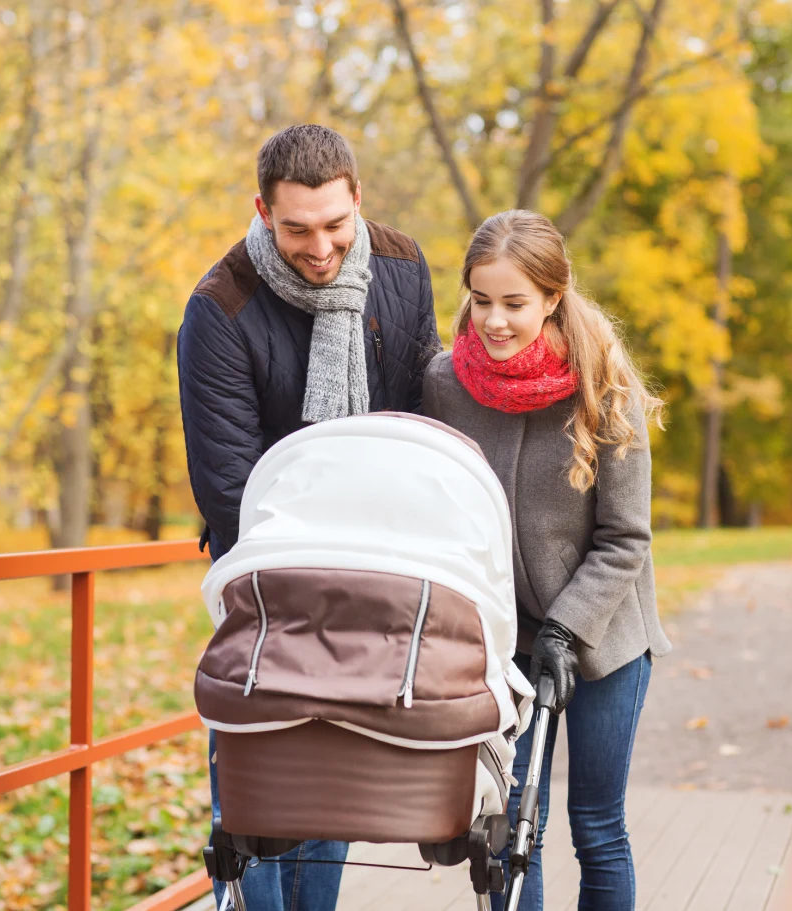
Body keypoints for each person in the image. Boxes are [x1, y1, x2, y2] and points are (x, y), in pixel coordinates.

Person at [177, 124, 441, 911]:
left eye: (334, 223)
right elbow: (229, 486)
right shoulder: (218, 309)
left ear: (357, 197)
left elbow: (416, 416)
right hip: (263, 575)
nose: (320, 246)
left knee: (334, 773)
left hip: (371, 567)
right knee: (260, 783)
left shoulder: (401, 264)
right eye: (295, 229)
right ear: (262, 211)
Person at [422, 209, 671, 911]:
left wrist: (566, 628)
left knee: (596, 827)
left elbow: (627, 537)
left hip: (606, 639)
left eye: (514, 303)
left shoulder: (604, 386)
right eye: (481, 300)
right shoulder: (444, 384)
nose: (494, 321)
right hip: (503, 645)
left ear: (553, 298)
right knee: (504, 831)